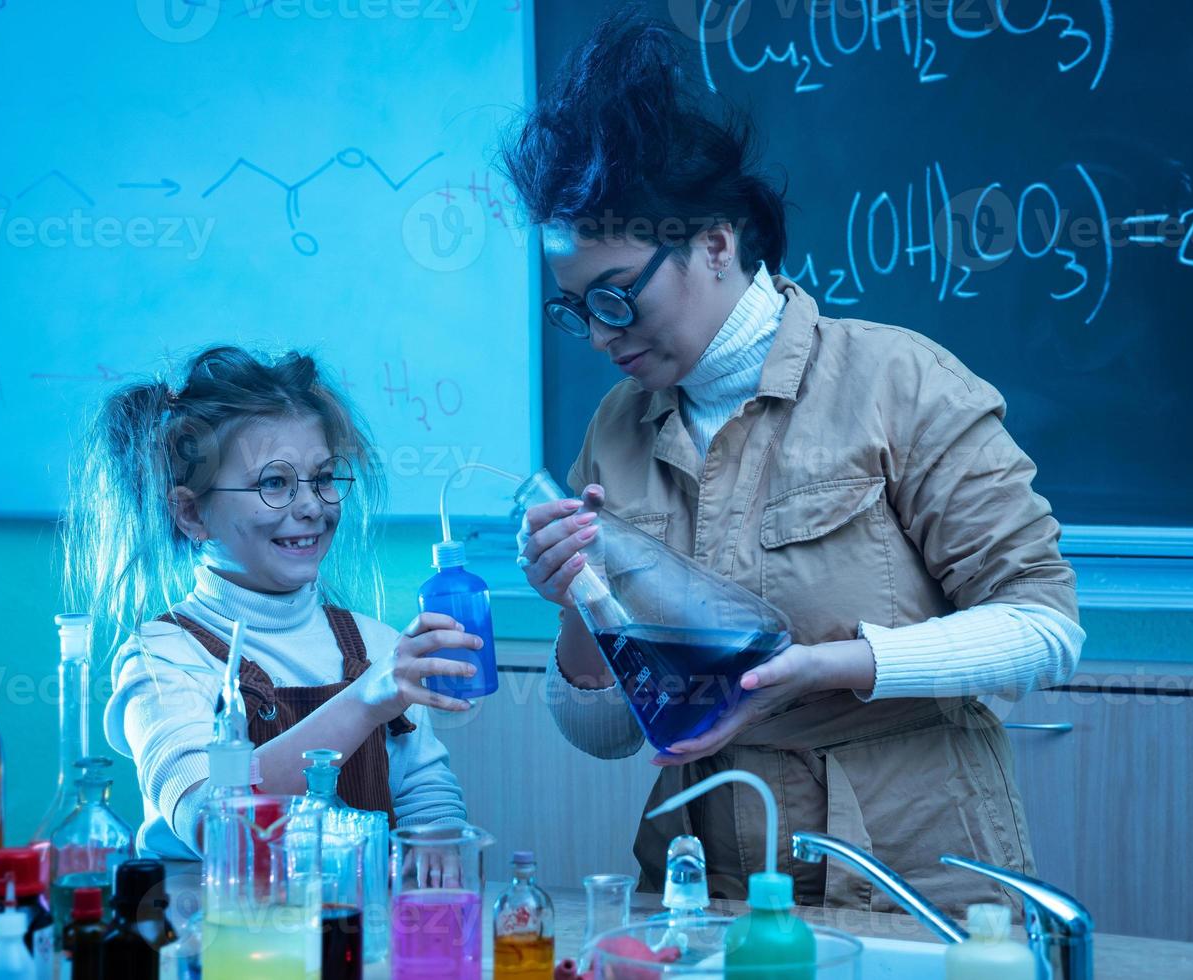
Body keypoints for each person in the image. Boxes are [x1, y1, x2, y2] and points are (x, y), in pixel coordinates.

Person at [503, 12, 1084, 916]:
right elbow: (611, 733)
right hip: (704, 891)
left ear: (715, 244)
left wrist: (830, 667)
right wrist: (571, 603)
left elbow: (1045, 630)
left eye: (619, 296)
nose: (602, 334)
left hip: (911, 884)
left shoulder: (898, 378)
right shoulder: (616, 427)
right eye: (577, 310)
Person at [66, 345, 473, 856]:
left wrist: (436, 845)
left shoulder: (376, 645)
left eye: (323, 478)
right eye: (274, 483)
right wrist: (367, 699)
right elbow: (210, 817)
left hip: (350, 924)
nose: (310, 505)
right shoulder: (163, 659)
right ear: (191, 515)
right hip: (220, 928)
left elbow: (425, 795)